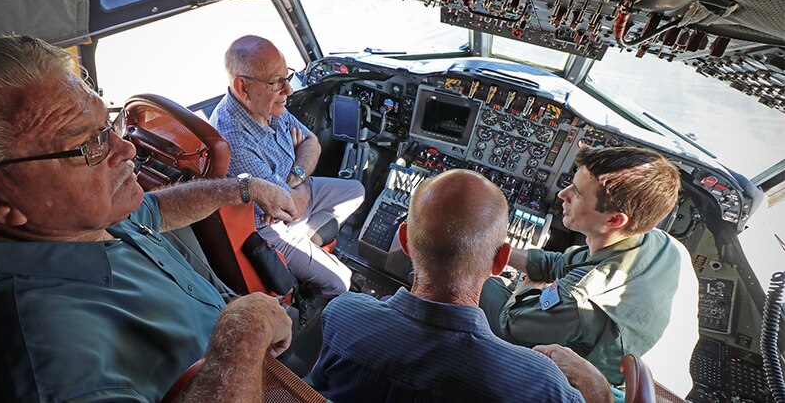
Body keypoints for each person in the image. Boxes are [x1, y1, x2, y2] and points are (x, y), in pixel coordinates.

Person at [0, 36, 297, 402]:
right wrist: (244, 333)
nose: (126, 148)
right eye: (88, 146)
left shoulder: (66, 218)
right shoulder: (44, 358)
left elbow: (154, 210)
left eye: (109, 126)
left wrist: (241, 187)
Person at [310, 169, 586, 402]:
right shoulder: (541, 385)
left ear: (405, 240)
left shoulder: (343, 314)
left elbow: (317, 386)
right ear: (500, 261)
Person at [480, 146, 699, 394]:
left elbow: (510, 323)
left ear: (614, 220)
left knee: (475, 282)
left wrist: (529, 284)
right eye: (570, 184)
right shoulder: (660, 242)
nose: (563, 194)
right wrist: (495, 250)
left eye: (578, 193)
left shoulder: (581, 300)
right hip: (658, 369)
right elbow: (560, 265)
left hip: (610, 391)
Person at [210, 35, 364, 296]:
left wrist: (296, 176)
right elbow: (292, 208)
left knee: (356, 191)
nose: (288, 90)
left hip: (291, 192)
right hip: (269, 226)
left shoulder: (267, 105)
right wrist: (293, 187)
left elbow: (312, 142)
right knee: (341, 282)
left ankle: (304, 235)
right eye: (276, 82)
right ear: (243, 87)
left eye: (287, 76)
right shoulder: (233, 139)